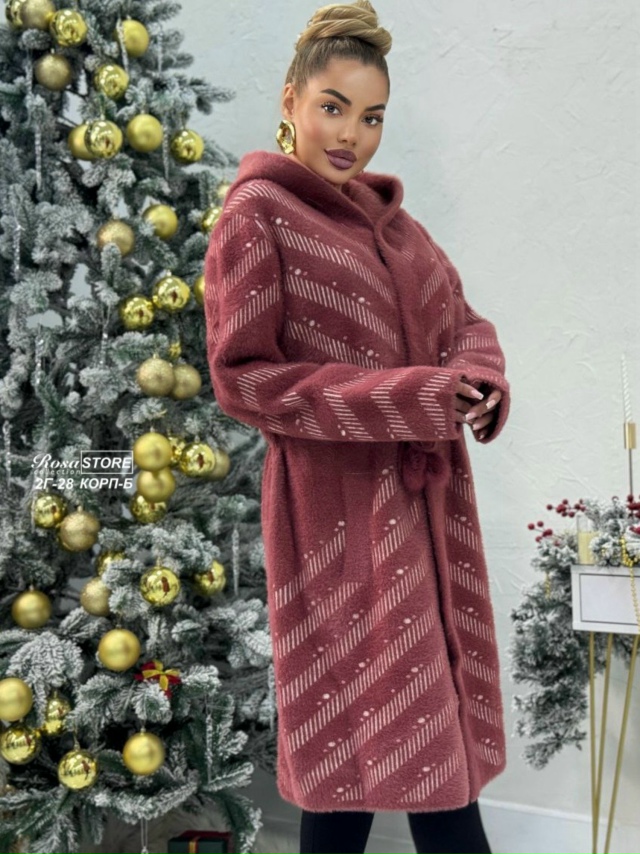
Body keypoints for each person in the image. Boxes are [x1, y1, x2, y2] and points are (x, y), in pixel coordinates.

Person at [203, 3, 510, 852]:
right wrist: (409, 398)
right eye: (333, 107)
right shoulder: (257, 215)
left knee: (429, 742)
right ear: (291, 99)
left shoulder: (400, 228)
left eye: (372, 116)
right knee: (349, 746)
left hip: (430, 513)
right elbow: (245, 379)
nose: (352, 136)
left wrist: (479, 382)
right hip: (334, 519)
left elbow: (465, 323)